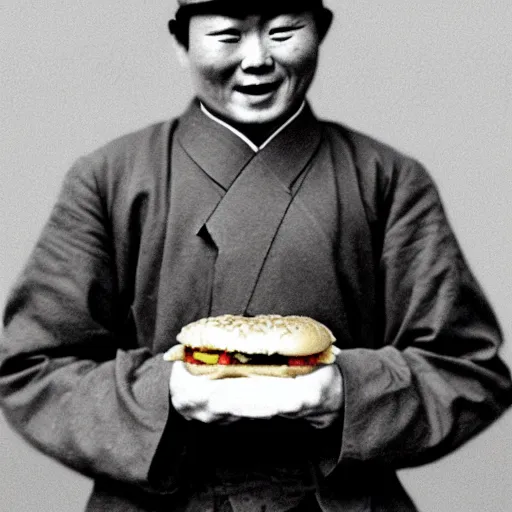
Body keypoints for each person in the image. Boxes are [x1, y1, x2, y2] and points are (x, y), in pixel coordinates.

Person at [0, 0, 511, 510]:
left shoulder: (390, 179)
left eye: (284, 31)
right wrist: (168, 393)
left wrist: (344, 392)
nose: (257, 58)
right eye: (227, 36)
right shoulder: (108, 178)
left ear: (321, 31)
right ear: (181, 43)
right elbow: (31, 368)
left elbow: (468, 370)